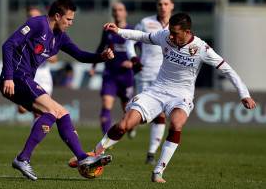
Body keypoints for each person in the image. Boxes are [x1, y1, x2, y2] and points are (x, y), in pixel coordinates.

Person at [93, 13, 256, 183]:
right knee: (123, 125)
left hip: (181, 95)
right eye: (170, 31)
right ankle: (95, 153)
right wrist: (119, 31)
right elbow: (143, 36)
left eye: (175, 33)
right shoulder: (165, 36)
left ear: (187, 32)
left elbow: (227, 70)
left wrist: (244, 94)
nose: (171, 36)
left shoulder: (202, 49)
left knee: (176, 124)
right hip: (157, 91)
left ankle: (158, 172)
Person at [0, 0, 113, 181]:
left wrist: (101, 57)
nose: (70, 23)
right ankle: (23, 158)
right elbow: (8, 45)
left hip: (26, 79)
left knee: (61, 113)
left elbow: (80, 55)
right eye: (68, 19)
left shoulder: (60, 37)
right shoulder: (37, 24)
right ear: (57, 15)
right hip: (17, 78)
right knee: (54, 110)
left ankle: (81, 157)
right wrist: (9, 77)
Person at [126, 0, 174, 164]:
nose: (163, 7)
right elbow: (129, 40)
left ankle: (151, 154)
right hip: (144, 73)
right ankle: (131, 125)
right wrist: (133, 58)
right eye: (160, 4)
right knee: (141, 116)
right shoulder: (146, 22)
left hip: (165, 77)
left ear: (172, 6)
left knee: (161, 114)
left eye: (166, 4)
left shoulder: (177, 25)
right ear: (156, 6)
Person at [89, 2, 136, 135]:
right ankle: (105, 139)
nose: (117, 12)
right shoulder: (108, 30)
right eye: (115, 10)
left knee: (127, 110)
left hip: (126, 75)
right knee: (106, 104)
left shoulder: (132, 31)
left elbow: (143, 51)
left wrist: (133, 63)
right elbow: (100, 47)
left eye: (120, 9)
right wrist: (93, 65)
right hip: (110, 74)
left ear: (125, 12)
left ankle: (131, 127)